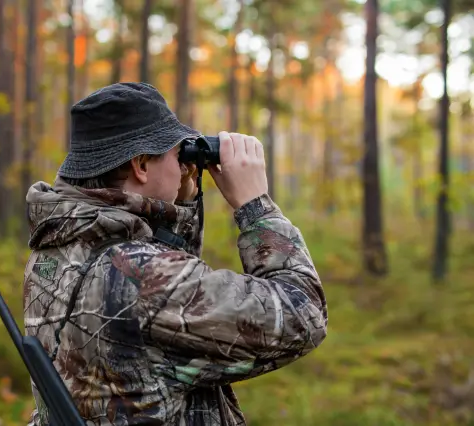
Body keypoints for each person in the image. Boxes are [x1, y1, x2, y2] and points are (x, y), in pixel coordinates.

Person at [23, 82, 328, 426]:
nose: (184, 166)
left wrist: (179, 205)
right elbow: (303, 316)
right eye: (176, 154)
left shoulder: (57, 247)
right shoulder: (143, 276)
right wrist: (256, 208)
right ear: (140, 165)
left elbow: (159, 307)